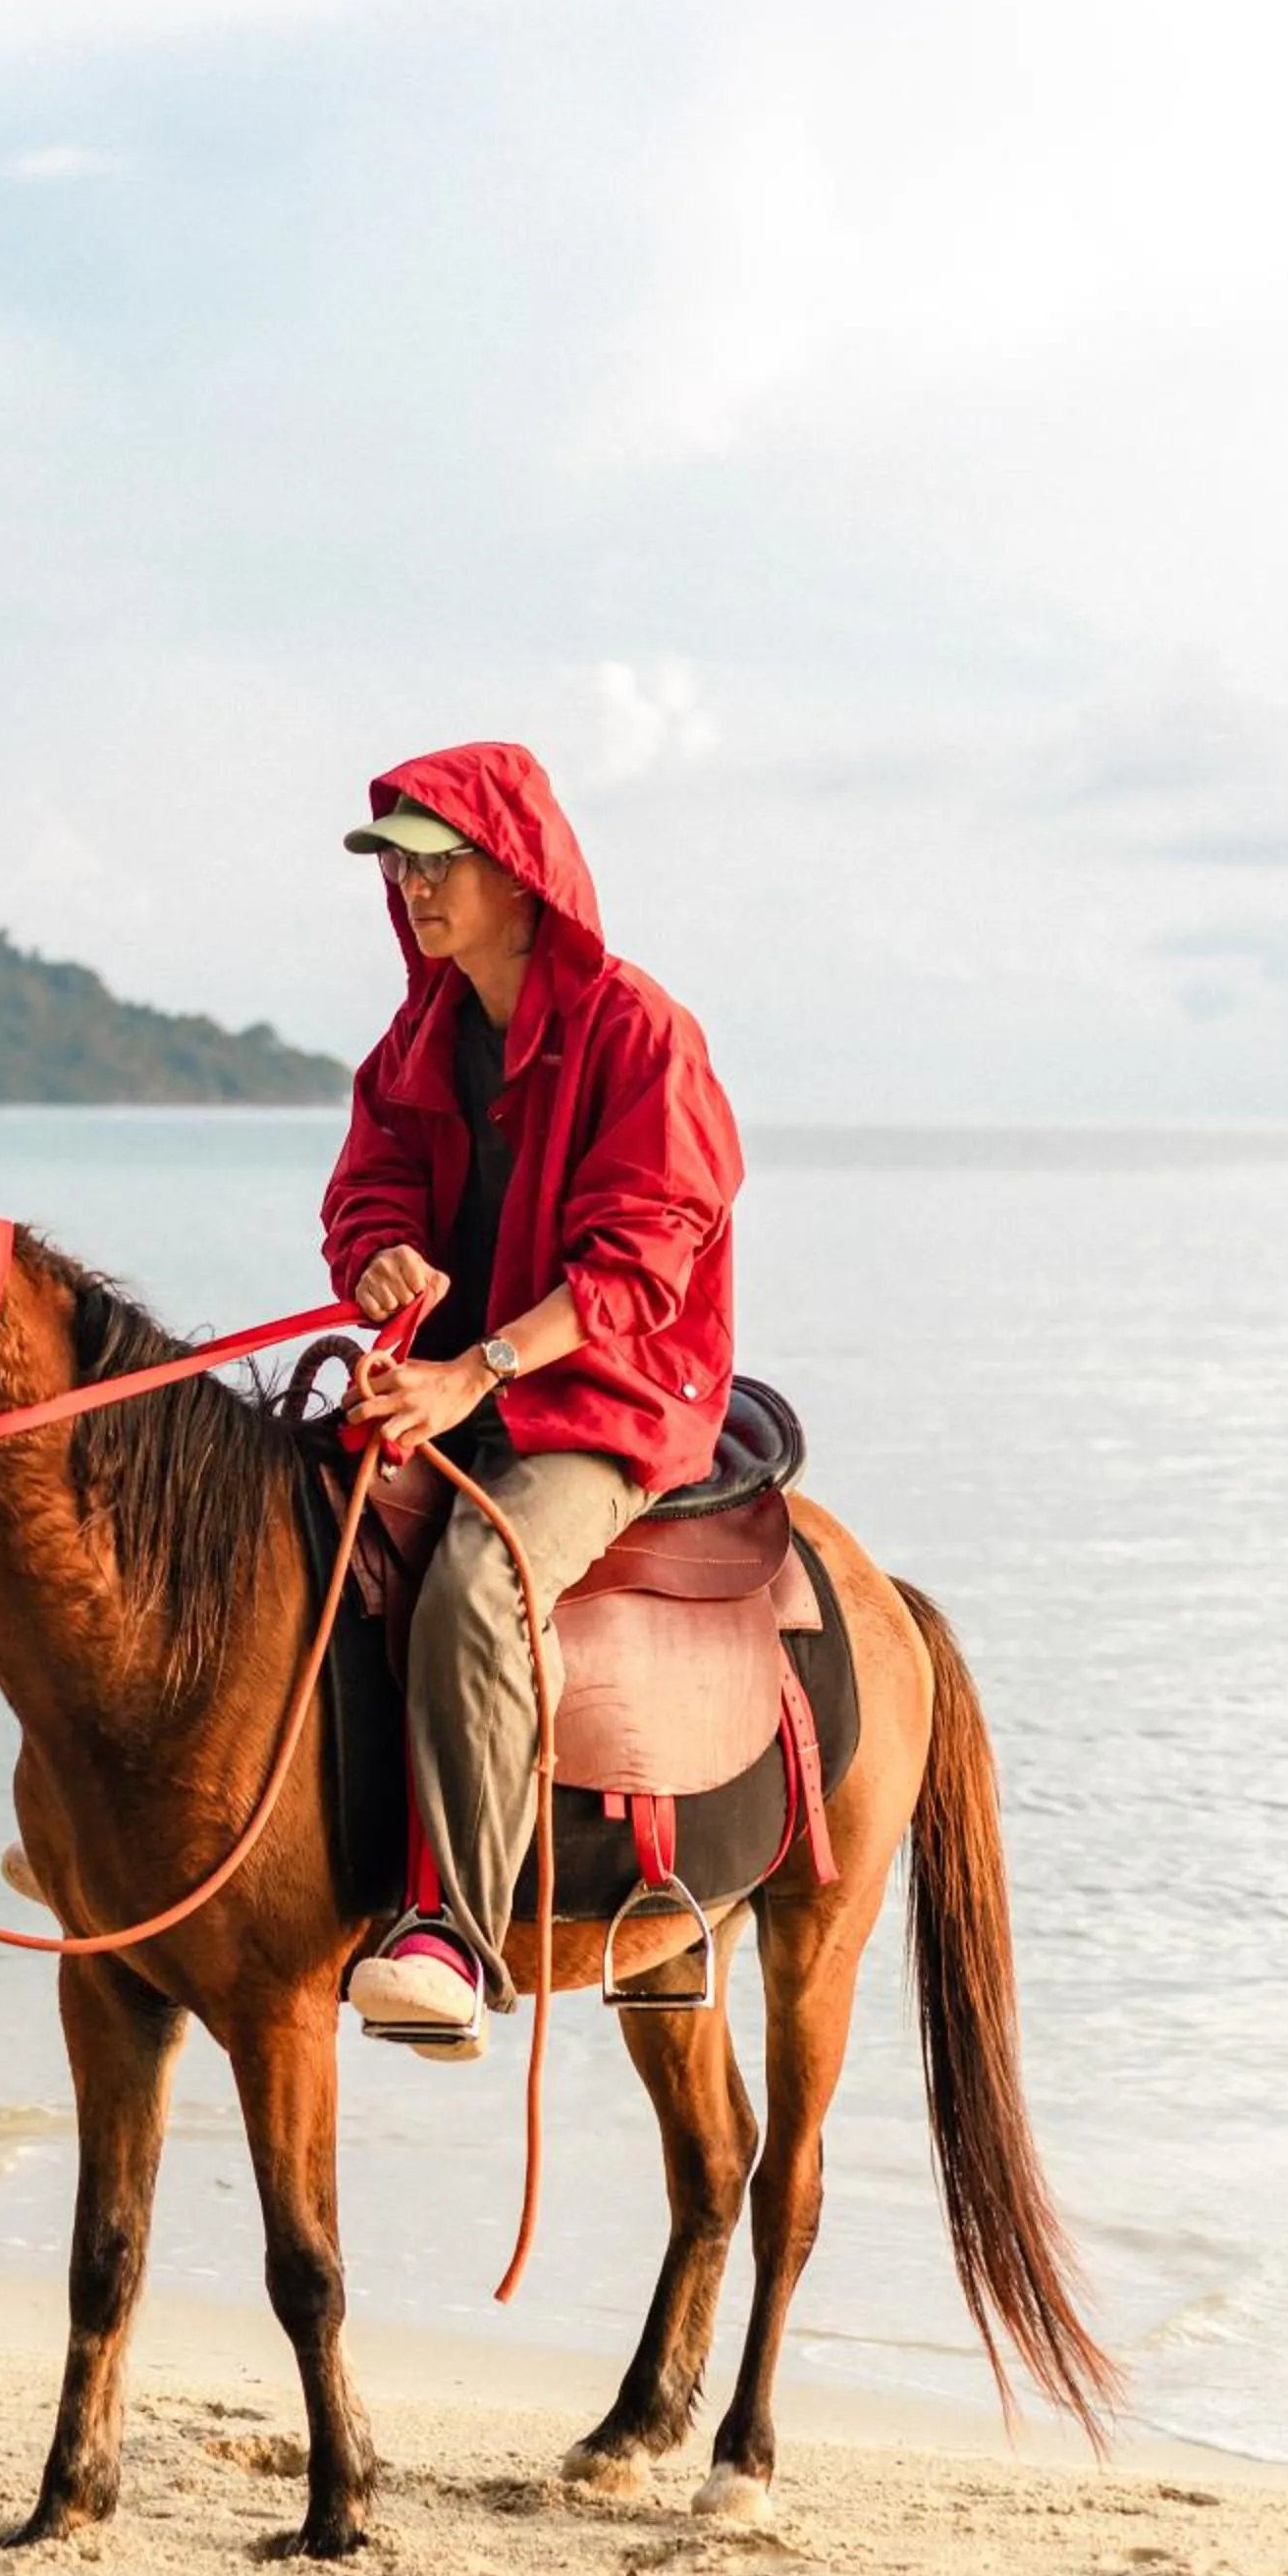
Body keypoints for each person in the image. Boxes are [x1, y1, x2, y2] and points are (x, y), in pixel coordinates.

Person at [328, 741, 745, 2059]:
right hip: (456, 1384)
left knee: (475, 1578)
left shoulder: (643, 1034)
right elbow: (368, 1189)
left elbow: (639, 1264)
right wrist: (378, 1256)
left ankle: (453, 1928)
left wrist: (473, 1373)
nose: (411, 889)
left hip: (609, 1399)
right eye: (395, 865)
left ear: (520, 876)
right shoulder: (419, 1035)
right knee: (276, 1511)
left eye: (435, 861)